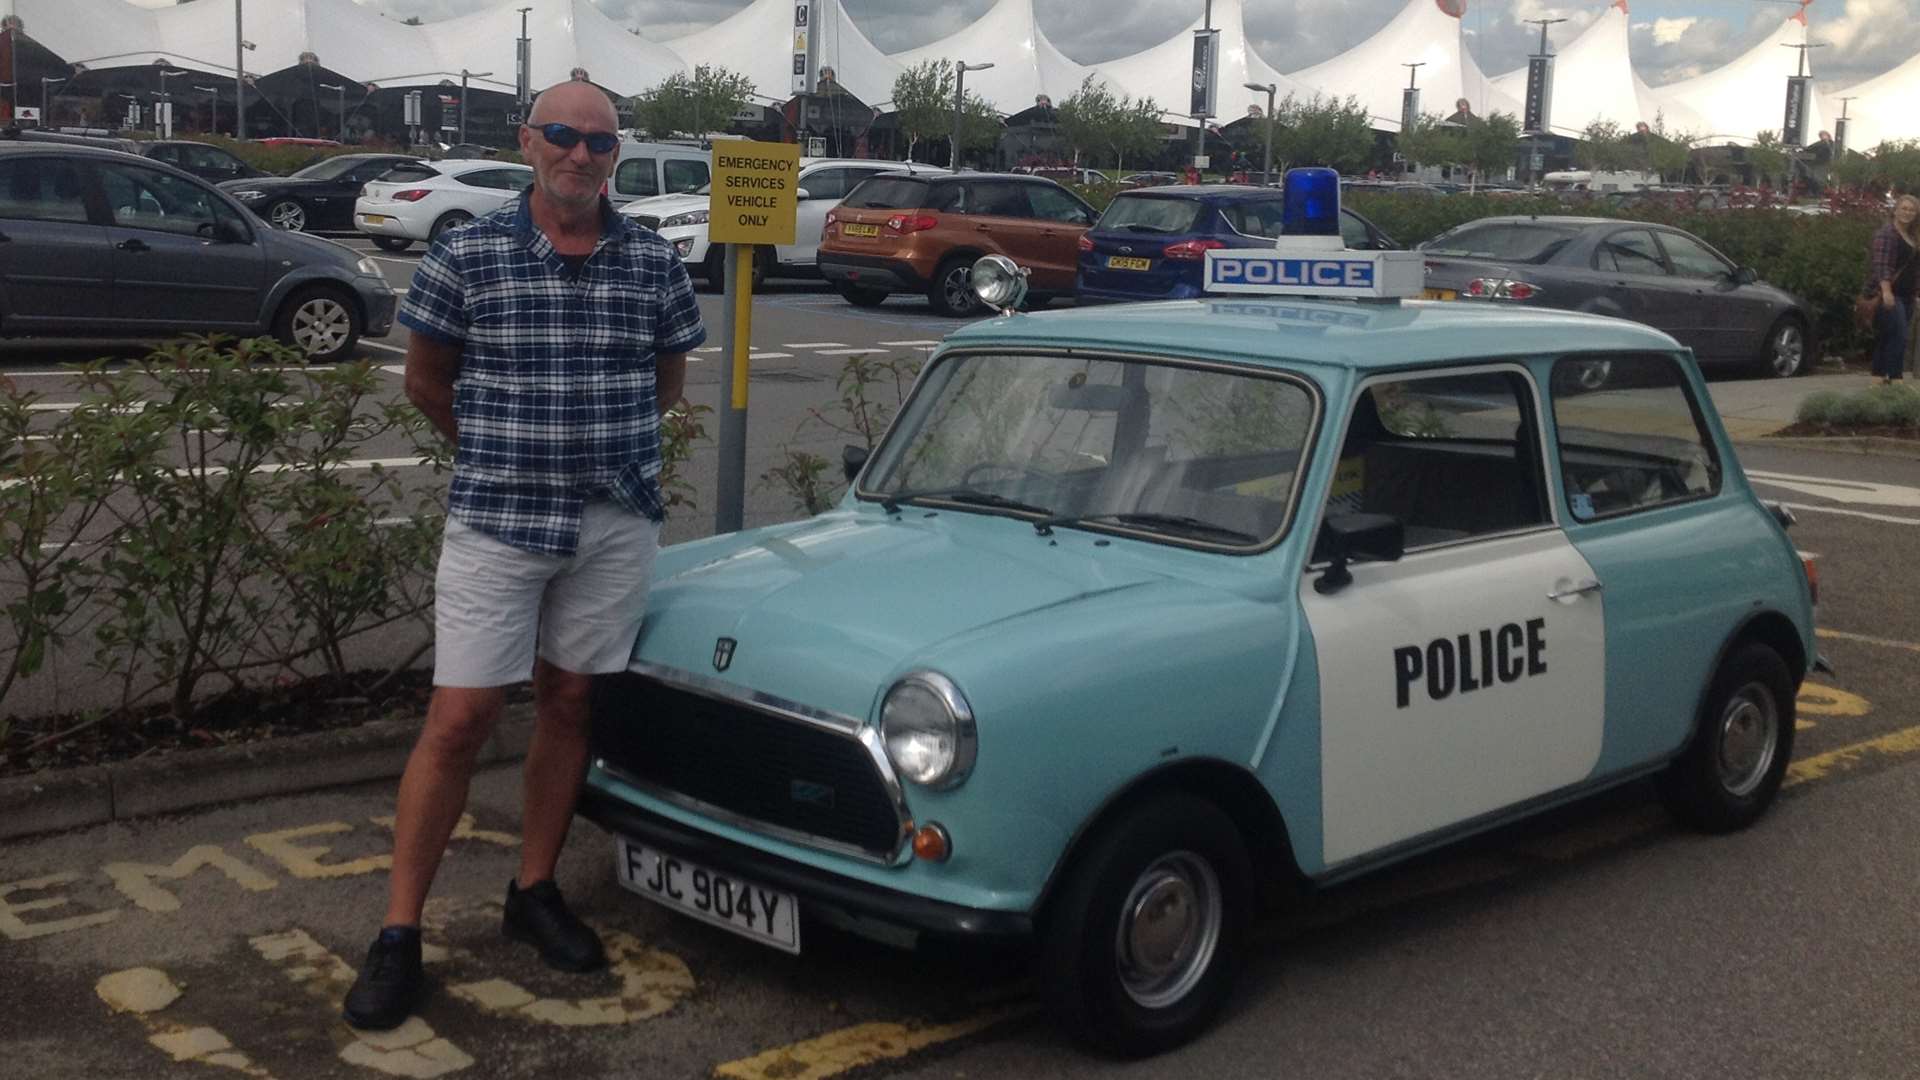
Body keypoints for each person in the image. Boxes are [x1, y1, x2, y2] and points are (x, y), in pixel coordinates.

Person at [341, 80, 704, 1030]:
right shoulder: (468, 251)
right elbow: (426, 383)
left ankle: (533, 889)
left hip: (613, 518)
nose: (580, 155)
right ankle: (397, 934)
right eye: (561, 136)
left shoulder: (654, 264)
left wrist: (589, 449)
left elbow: (665, 384)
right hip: (499, 520)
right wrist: (506, 453)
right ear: (527, 141)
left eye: (598, 143)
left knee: (571, 699)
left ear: (615, 155)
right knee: (460, 720)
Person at [1866, 194, 1919, 385]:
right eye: (1904, 208)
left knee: (1889, 334)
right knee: (1900, 335)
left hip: (1907, 295)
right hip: (1889, 293)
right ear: (1895, 210)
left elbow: (1915, 268)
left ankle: (1878, 377)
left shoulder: (1913, 236)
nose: (1907, 213)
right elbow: (1881, 265)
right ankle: (1896, 378)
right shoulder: (1887, 233)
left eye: (1912, 210)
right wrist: (1887, 291)